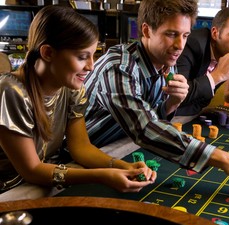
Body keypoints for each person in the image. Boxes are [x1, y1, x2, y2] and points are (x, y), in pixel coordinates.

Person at [84, 0, 229, 199]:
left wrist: (171, 104)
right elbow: (145, 129)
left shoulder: (166, 63)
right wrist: (223, 159)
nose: (180, 45)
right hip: (79, 158)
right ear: (146, 31)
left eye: (185, 35)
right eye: (171, 34)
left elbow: (151, 114)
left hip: (118, 147)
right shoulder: (119, 67)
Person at [0, 5, 156, 195]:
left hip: (40, 186)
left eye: (93, 55)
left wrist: (124, 166)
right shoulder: (10, 91)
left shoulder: (71, 88)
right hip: (9, 194)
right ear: (48, 53)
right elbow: (31, 170)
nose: (91, 66)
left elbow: (80, 147)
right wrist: (103, 176)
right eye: (83, 57)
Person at [175, 7, 229, 116]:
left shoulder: (227, 57)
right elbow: (177, 97)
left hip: (193, 114)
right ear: (215, 33)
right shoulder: (192, 44)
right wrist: (218, 75)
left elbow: (203, 101)